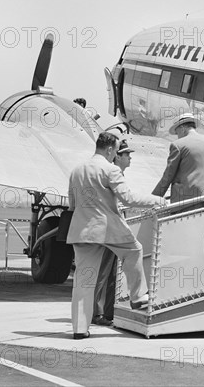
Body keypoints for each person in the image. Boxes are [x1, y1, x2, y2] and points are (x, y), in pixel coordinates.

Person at [67, 132, 166, 339]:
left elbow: (72, 204)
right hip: (107, 228)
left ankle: (79, 329)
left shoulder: (76, 170)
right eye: (116, 150)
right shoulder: (110, 169)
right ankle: (138, 296)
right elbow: (128, 199)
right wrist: (157, 201)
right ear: (110, 149)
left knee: (83, 282)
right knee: (134, 250)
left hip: (81, 230)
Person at [152, 113, 204, 211]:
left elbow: (168, 176)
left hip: (189, 201)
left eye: (177, 133)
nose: (177, 136)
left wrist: (153, 199)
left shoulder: (178, 145)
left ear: (182, 128)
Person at [91, 139, 134, 327]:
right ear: (117, 155)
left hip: (116, 229)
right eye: (126, 154)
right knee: (102, 272)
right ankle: (96, 313)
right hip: (107, 229)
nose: (129, 158)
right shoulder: (110, 172)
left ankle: (109, 311)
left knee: (113, 274)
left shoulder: (119, 174)